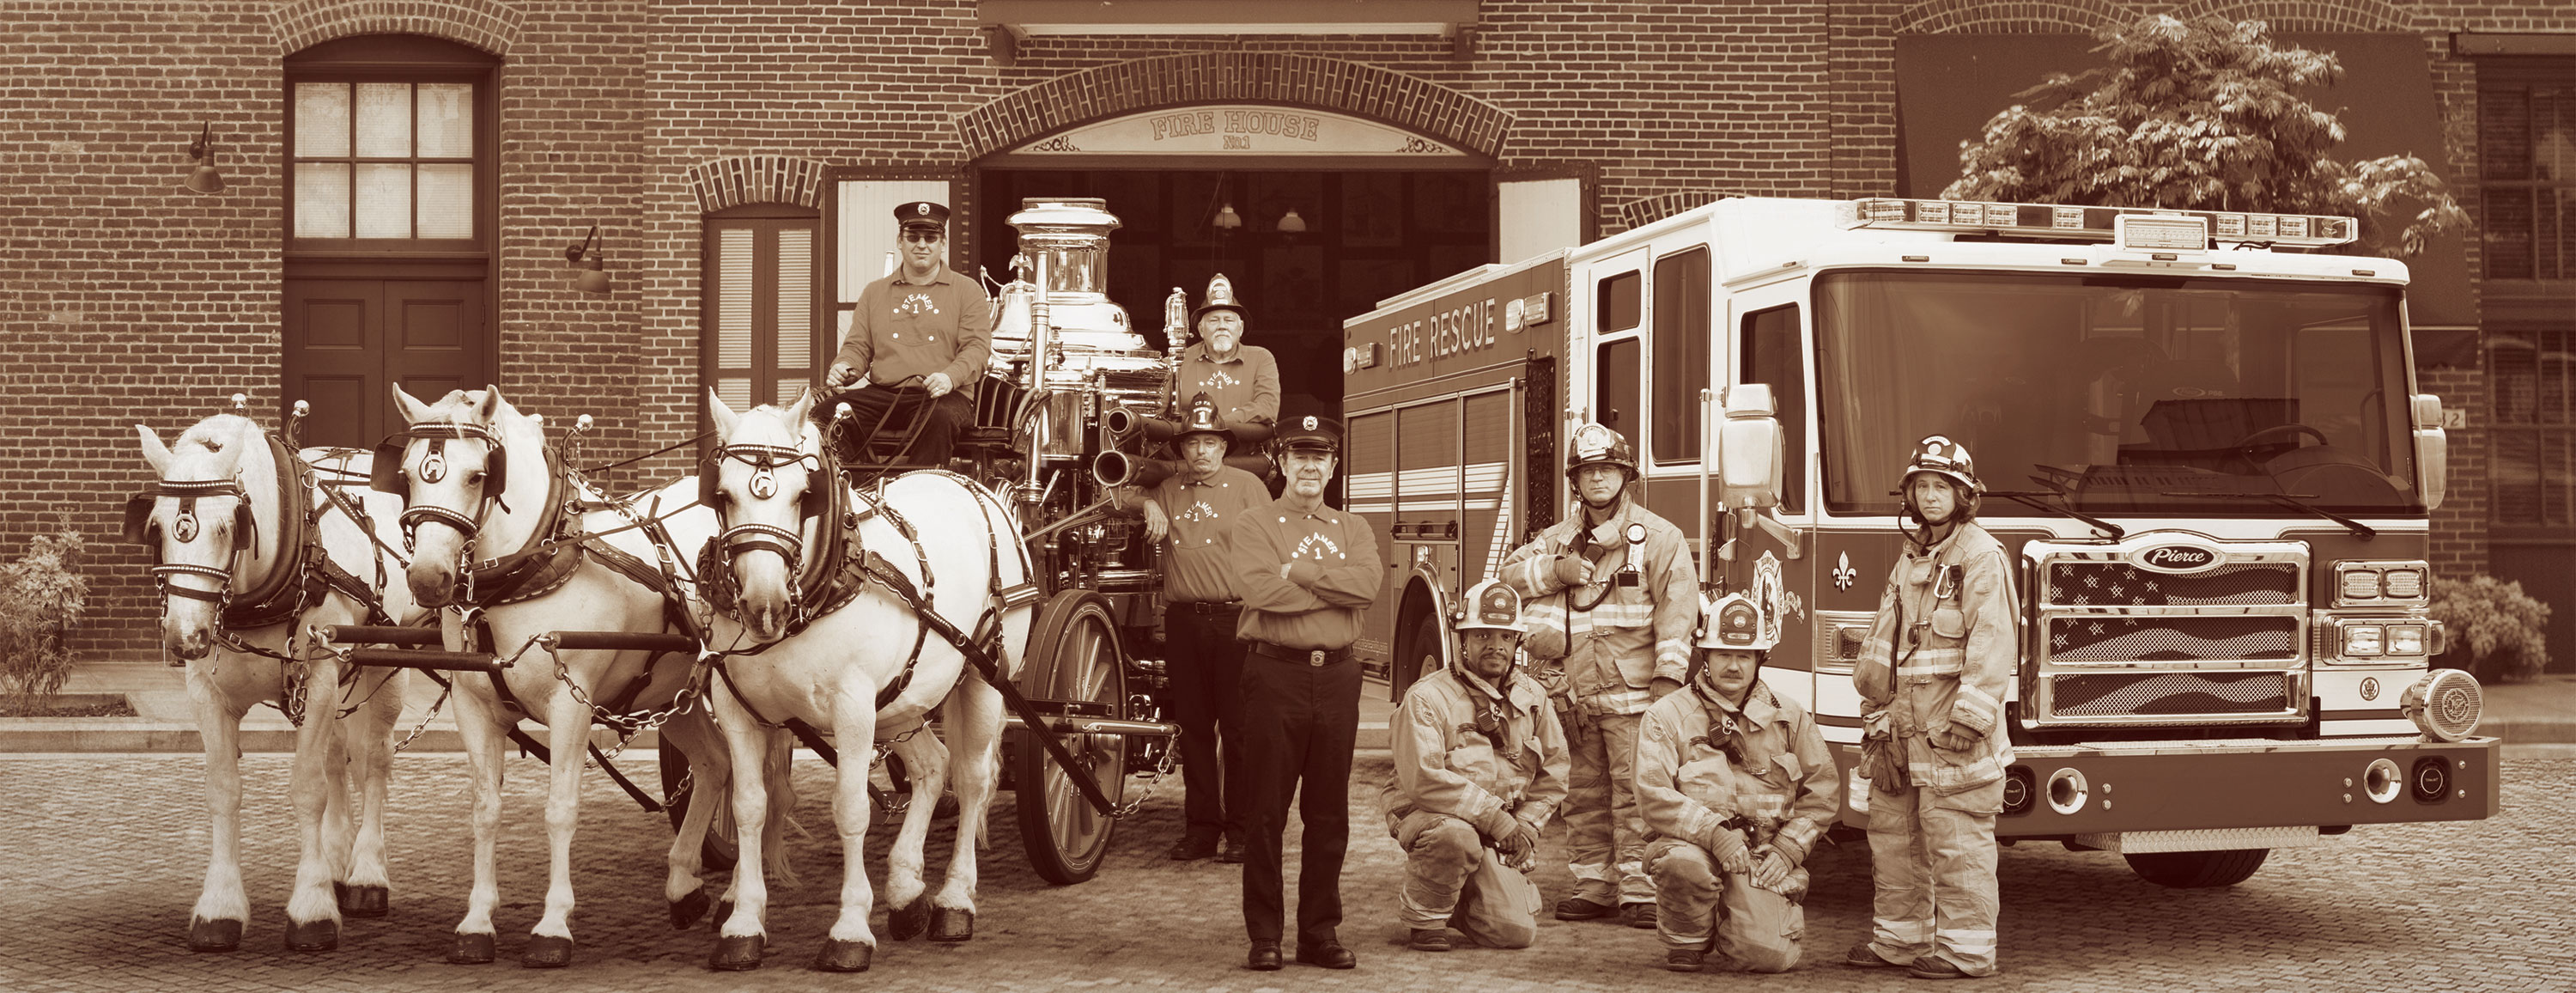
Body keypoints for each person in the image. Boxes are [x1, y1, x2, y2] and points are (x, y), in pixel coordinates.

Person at [1497, 422, 1698, 932]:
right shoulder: (1558, 540)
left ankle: (1638, 887)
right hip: (1573, 695)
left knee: (1637, 792)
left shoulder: (1659, 537)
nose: (1599, 479)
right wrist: (1556, 571)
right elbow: (1507, 578)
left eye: (1608, 468)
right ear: (1576, 481)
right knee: (1582, 793)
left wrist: (1669, 681)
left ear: (1625, 475)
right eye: (1589, 471)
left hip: (1635, 696)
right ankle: (1594, 884)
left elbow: (1679, 612)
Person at [1849, 435, 2016, 980]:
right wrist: (1877, 720)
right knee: (1894, 841)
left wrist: (1970, 720)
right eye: (1922, 486)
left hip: (1953, 739)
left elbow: (1992, 646)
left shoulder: (1981, 557)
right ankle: (1899, 942)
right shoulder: (1911, 560)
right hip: (1902, 736)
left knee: (1958, 844)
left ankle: (1967, 953)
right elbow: (1886, 651)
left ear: (1965, 496)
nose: (1931, 496)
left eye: (1943, 486)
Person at [1227, 415, 1383, 972]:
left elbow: (1367, 587)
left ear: (1334, 466)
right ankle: (1265, 934)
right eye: (1299, 456)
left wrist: (1299, 571)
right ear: (1282, 463)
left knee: (1328, 813)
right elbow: (1258, 590)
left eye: (1320, 457)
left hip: (1339, 679)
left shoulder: (1355, 528)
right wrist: (1330, 590)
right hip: (1275, 677)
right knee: (1265, 811)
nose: (1310, 466)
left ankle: (1319, 932)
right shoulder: (1255, 522)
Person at [1636, 592, 1839, 973]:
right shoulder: (1666, 715)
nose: (1734, 666)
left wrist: (1787, 851)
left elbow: (1823, 792)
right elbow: (1653, 795)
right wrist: (1714, 833)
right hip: (1693, 846)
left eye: (1744, 656)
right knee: (1683, 865)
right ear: (1705, 657)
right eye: (1723, 655)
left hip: (1762, 855)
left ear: (1760, 660)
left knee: (1767, 957)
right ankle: (1688, 939)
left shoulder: (1790, 716)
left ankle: (1740, 922)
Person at [1382, 579, 1568, 953]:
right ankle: (1426, 918)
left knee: (1514, 933)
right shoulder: (1427, 696)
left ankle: (1459, 896)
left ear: (1517, 643)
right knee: (1456, 838)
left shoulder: (1533, 699)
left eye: (1505, 637)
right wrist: (1498, 820)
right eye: (1482, 635)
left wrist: (1527, 828)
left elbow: (1555, 773)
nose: (1495, 647)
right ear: (1462, 639)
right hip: (1429, 812)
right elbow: (1424, 779)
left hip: (1496, 827)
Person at [1132, 393, 1267, 863]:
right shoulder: (1167, 488)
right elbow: (1113, 495)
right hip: (1184, 623)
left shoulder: (1249, 487)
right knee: (1193, 728)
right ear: (1182, 449)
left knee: (1239, 729)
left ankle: (1243, 831)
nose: (1201, 452)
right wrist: (1146, 505)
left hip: (1236, 620)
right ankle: (1201, 830)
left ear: (1224, 446)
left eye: (1210, 442)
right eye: (1192, 443)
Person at [822, 201, 993, 466]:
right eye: (913, 237)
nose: (921, 244)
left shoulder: (967, 291)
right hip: (883, 393)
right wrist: (845, 366)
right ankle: (852, 492)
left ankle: (922, 497)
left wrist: (950, 377)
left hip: (942, 397)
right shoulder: (875, 292)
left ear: (942, 243)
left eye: (931, 237)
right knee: (825, 416)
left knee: (941, 419)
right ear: (900, 241)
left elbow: (977, 349)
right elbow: (858, 345)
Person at [1177, 273, 1280, 449]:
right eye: (1214, 320)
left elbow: (1267, 407)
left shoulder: (1261, 358)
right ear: (1201, 329)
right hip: (1190, 458)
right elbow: (1157, 415)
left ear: (1240, 328)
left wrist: (1217, 422)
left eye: (1229, 320)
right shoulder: (1178, 361)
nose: (1222, 326)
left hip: (1246, 460)